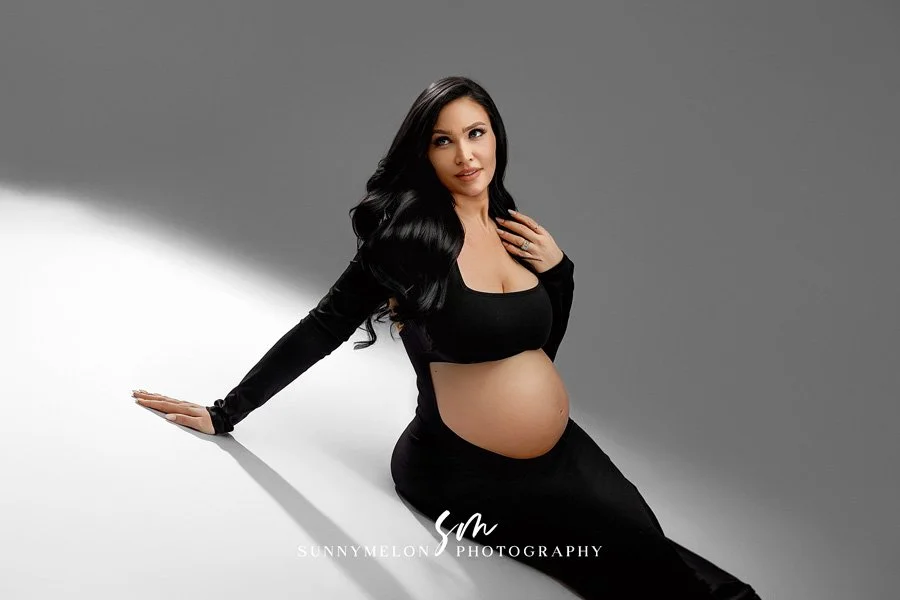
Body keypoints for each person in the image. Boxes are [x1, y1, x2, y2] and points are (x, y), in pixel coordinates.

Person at [133, 76, 761, 599]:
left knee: (642, 542)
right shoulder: (407, 246)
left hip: (556, 453)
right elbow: (324, 326)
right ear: (423, 154)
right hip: (459, 471)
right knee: (620, 567)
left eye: (476, 134)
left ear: (496, 140)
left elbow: (542, 350)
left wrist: (561, 272)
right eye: (444, 141)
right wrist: (227, 411)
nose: (465, 155)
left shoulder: (515, 228)